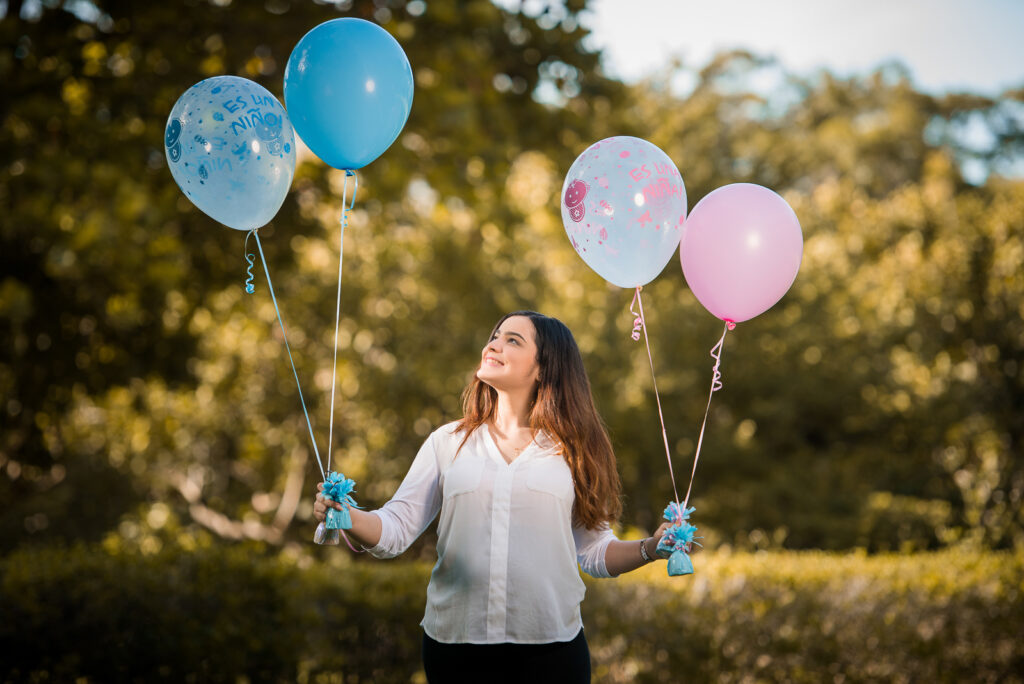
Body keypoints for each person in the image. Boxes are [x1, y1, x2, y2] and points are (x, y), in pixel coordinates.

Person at [313, 311, 672, 683]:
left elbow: (595, 552)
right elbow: (396, 530)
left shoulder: (573, 451)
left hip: (552, 653)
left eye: (513, 340)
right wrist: (347, 514)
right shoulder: (447, 442)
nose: (494, 345)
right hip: (455, 652)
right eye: (495, 336)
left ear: (544, 369)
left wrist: (651, 549)